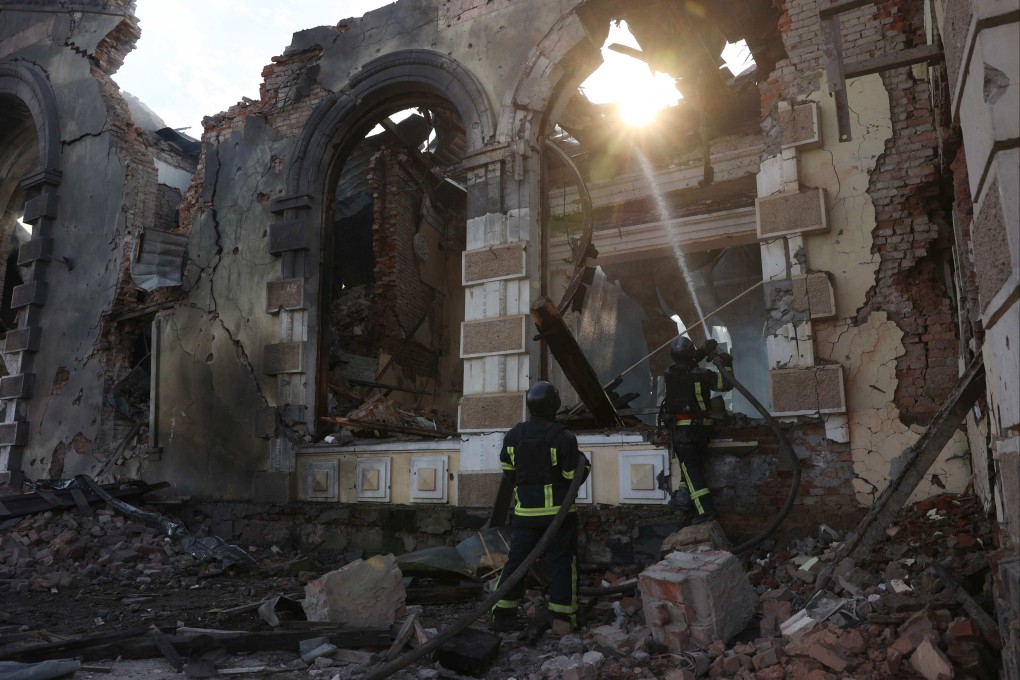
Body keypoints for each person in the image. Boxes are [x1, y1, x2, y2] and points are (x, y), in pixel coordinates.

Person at [491, 381, 591, 635]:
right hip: (559, 516)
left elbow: (509, 472)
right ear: (555, 405)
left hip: (525, 515)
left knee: (516, 563)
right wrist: (585, 465)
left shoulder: (514, 435)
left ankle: (502, 614)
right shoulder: (563, 437)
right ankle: (563, 618)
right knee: (562, 563)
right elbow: (572, 474)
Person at [659, 336, 734, 523]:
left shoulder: (669, 374)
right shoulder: (704, 374)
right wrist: (727, 363)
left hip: (683, 433)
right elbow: (726, 384)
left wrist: (702, 349)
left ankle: (706, 512)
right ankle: (684, 503)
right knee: (692, 468)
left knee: (692, 470)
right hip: (704, 431)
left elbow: (685, 363)